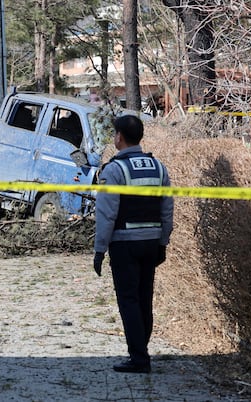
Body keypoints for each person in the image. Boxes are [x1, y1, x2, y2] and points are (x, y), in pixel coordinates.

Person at [93, 115, 174, 374]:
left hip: (125, 244)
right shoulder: (159, 167)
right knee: (144, 298)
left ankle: (139, 358)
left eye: (114, 134)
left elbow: (106, 214)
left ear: (119, 137)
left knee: (128, 300)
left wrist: (99, 249)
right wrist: (163, 242)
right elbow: (167, 209)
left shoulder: (114, 170)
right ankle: (141, 350)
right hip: (151, 243)